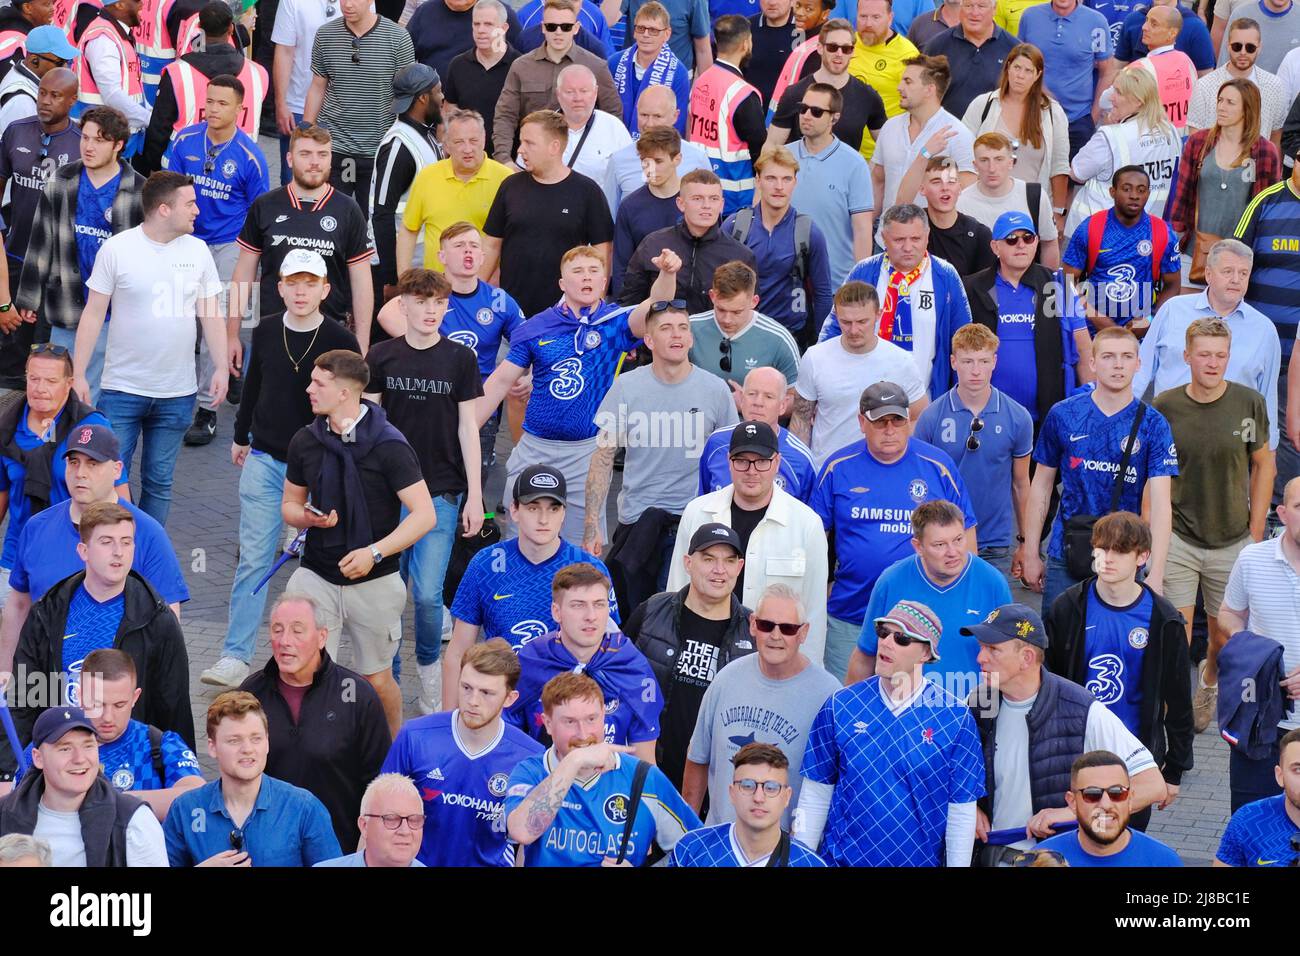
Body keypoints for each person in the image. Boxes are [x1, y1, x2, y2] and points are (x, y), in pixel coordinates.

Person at [200, 251, 359, 691]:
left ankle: (312, 661)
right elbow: (253, 383)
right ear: (282, 287)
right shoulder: (267, 328)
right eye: (294, 283)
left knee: (315, 567)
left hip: (320, 466)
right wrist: (240, 434)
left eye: (311, 283)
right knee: (253, 558)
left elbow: (352, 401)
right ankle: (235, 655)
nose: (302, 291)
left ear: (326, 290)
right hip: (267, 459)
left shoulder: (341, 339)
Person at [281, 349, 437, 736]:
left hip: (375, 579)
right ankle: (309, 752)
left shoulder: (389, 445)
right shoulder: (305, 440)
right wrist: (306, 517)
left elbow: (424, 515)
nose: (308, 389)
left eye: (319, 383)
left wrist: (375, 552)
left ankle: (390, 752)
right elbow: (289, 504)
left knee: (377, 679)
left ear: (346, 393)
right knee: (306, 672)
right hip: (316, 573)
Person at [475, 245, 672, 546]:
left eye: (594, 271)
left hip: (587, 452)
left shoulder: (614, 323)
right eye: (577, 272)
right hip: (535, 448)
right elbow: (501, 380)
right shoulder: (536, 327)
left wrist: (667, 273)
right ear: (562, 284)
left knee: (582, 545)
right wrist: (465, 430)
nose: (586, 278)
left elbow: (657, 303)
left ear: (604, 281)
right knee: (521, 539)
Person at [73, 171, 224, 526]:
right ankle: (107, 552)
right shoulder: (118, 249)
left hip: (177, 393)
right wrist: (78, 374)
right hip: (122, 389)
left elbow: (211, 314)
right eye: (190, 204)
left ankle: (143, 561)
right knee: (106, 480)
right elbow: (93, 314)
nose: (197, 211)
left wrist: (219, 367)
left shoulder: (199, 251)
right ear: (162, 209)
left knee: (159, 483)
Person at [364, 269, 484, 711]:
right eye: (422, 301)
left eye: (438, 303)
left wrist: (475, 495)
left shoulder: (459, 360)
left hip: (441, 491)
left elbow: (467, 427)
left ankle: (430, 670)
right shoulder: (381, 355)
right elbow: (368, 423)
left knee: (428, 594)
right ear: (404, 307)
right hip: (388, 494)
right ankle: (388, 678)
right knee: (387, 593)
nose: (431, 310)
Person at [965, 603, 1170, 857]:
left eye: (993, 649)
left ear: (1026, 658)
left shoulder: (1083, 710)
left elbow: (1152, 786)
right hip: (989, 855)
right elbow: (951, 772)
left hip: (1055, 859)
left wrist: (1072, 811)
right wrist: (968, 808)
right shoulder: (976, 704)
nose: (980, 658)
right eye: (982, 647)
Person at [795, 598, 984, 866]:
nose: (886, 642)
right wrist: (801, 861)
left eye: (902, 639)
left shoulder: (956, 717)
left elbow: (962, 811)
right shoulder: (840, 705)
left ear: (926, 654)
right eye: (883, 633)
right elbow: (816, 793)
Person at [1152, 316, 1273, 731]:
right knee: (1176, 631)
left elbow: (1264, 465)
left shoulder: (1249, 402)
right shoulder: (1164, 406)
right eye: (1204, 354)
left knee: (1225, 634)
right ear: (1187, 356)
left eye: (1220, 355)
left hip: (1233, 536)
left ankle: (1209, 679)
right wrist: (1154, 535)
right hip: (1180, 536)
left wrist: (1256, 532)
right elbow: (1156, 476)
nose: (1212, 362)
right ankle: (1175, 713)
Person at [812, 382, 978, 680]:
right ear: (862, 422)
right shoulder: (838, 467)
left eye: (897, 420)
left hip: (923, 622)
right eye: (880, 421)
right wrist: (817, 592)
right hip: (851, 614)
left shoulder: (937, 466)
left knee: (917, 708)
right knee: (851, 703)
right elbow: (814, 539)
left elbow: (965, 534)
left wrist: (964, 598)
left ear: (909, 420)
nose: (889, 429)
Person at [0, 426, 188, 685]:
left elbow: (168, 619)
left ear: (117, 469)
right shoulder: (37, 527)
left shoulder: (146, 533)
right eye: (73, 462)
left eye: (93, 464)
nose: (80, 474)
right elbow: (19, 603)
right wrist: (7, 673)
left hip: (119, 694)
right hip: (46, 685)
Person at [1044, 512, 1195, 829]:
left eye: (1120, 551)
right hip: (1074, 752)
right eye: (1101, 549)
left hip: (1134, 757)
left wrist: (1173, 771)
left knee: (1123, 847)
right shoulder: (1068, 608)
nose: (1107, 559)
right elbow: (1048, 685)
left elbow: (1179, 699)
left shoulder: (1163, 619)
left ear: (1142, 557)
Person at [582, 298, 735, 595]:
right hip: (636, 521)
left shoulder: (716, 390)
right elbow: (602, 457)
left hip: (693, 523)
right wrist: (591, 526)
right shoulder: (626, 387)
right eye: (666, 328)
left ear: (691, 337)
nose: (677, 335)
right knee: (634, 617)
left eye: (683, 328)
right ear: (649, 340)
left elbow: (728, 462)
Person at [11, 501, 193, 750]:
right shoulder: (48, 612)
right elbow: (24, 695)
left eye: (126, 542)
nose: (118, 551)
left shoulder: (157, 619)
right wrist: (16, 765)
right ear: (83, 551)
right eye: (107, 542)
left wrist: (180, 772)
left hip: (130, 761)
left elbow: (174, 706)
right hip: (60, 753)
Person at [1022, 327, 1178, 610]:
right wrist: (1031, 551)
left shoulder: (1154, 425)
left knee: (1115, 647)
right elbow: (1041, 487)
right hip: (1065, 551)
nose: (1118, 365)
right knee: (1058, 647)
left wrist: (1156, 572)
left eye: (1126, 356)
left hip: (1126, 554)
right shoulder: (1063, 414)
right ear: (1092, 363)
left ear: (1138, 363)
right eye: (1108, 356)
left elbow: (1160, 504)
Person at [443, 464, 618, 705]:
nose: (544, 519)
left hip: (568, 710)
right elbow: (458, 651)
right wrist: (448, 723)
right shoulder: (486, 564)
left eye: (553, 508)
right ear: (514, 510)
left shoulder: (590, 570)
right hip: (502, 707)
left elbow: (611, 653)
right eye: (533, 508)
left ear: (564, 513)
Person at [161, 76, 269, 448]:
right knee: (177, 318)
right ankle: (221, 372)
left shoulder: (251, 156)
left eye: (223, 103)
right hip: (186, 241)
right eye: (209, 101)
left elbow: (260, 213)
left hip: (230, 245)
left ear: (241, 110)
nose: (213, 109)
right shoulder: (186, 141)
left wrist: (253, 261)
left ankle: (206, 411)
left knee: (217, 326)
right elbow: (169, 188)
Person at [239, 593, 391, 852]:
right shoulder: (250, 695)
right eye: (277, 630)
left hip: (338, 848)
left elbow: (379, 782)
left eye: (298, 631)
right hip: (267, 849)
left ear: (322, 637)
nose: (285, 641)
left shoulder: (357, 695)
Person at [15, 105, 143, 403]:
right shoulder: (62, 179)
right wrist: (30, 296)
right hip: (66, 305)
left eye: (99, 140)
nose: (88, 146)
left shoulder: (138, 191)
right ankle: (67, 445)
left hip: (115, 311)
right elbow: (41, 238)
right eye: (85, 138)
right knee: (65, 384)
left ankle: (93, 444)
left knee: (103, 388)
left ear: (118, 145)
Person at [504, 671, 699, 866]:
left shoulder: (643, 777)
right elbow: (523, 832)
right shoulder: (531, 772)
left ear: (604, 717)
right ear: (548, 723)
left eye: (591, 719)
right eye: (570, 722)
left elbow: (701, 852)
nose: (583, 733)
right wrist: (573, 762)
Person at [669, 424, 830, 661]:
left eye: (762, 461)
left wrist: (806, 674)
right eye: (741, 460)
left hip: (770, 659)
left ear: (777, 462)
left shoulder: (807, 525)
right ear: (728, 461)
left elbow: (813, 613)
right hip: (701, 651)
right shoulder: (697, 512)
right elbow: (676, 587)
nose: (751, 471)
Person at [681, 583, 839, 822]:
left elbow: (833, 786)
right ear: (753, 625)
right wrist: (687, 831)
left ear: (804, 632)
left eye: (787, 628)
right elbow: (697, 758)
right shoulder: (725, 679)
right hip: (721, 846)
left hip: (783, 851)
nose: (776, 636)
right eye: (766, 625)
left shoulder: (829, 695)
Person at [381, 638, 542, 866]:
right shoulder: (415, 737)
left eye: (486, 693)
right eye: (466, 688)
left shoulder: (530, 757)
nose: (473, 701)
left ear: (509, 698)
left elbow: (531, 843)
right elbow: (378, 814)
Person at [379, 222, 523, 478]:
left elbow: (526, 342)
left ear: (482, 256)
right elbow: (386, 314)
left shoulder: (499, 300)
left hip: (479, 398)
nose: (467, 252)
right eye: (459, 246)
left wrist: (528, 375)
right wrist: (431, 347)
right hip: (432, 394)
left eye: (473, 246)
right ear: (442, 256)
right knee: (426, 471)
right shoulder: (428, 292)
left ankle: (479, 511)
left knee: (475, 476)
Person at [622, 523, 752, 789]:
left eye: (729, 561)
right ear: (688, 562)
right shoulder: (651, 612)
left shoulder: (754, 631)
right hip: (647, 769)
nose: (719, 570)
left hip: (716, 780)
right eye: (709, 559)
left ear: (739, 567)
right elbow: (615, 675)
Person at [9, 648, 203, 820]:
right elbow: (16, 814)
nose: (108, 717)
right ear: (78, 695)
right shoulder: (48, 746)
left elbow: (197, 797)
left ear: (135, 697)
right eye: (97, 704)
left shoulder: (160, 744)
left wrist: (106, 801)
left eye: (119, 705)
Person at [229, 123, 373, 354]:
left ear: (330, 159)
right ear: (289, 159)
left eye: (322, 154)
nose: (314, 162)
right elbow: (243, 273)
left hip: (329, 336)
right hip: (272, 333)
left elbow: (362, 281)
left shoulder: (348, 210)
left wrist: (362, 344)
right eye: (305, 154)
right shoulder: (265, 206)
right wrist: (231, 335)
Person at [911, 323, 1034, 581]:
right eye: (968, 361)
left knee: (991, 618)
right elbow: (918, 482)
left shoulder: (1017, 417)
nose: (976, 371)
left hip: (995, 542)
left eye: (983, 361)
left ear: (995, 362)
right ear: (954, 362)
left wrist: (1026, 543)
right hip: (942, 541)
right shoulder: (931, 417)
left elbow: (1022, 484)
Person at [163, 691, 341, 866]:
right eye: (234, 740)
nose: (247, 748)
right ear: (212, 747)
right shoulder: (184, 809)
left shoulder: (304, 808)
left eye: (256, 739)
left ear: (267, 742)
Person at [0, 346, 120, 603]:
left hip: (76, 558)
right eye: (34, 378)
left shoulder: (92, 427)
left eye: (51, 381)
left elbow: (119, 497)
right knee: (11, 637)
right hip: (18, 555)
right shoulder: (7, 426)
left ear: (69, 385)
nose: (40, 388)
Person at [851, 500, 1013, 690]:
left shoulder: (992, 582)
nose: (953, 552)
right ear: (918, 547)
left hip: (973, 707)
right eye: (940, 545)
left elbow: (1009, 657)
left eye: (958, 540)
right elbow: (865, 656)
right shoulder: (891, 581)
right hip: (905, 707)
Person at [506, 562, 662, 757]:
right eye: (578, 605)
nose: (591, 616)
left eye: (599, 604)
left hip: (611, 782)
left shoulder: (630, 664)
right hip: (544, 779)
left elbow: (644, 762)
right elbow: (507, 742)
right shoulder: (532, 660)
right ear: (556, 612)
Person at [821, 203, 974, 398]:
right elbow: (833, 329)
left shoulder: (946, 275)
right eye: (899, 240)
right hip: (863, 399)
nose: (908, 247)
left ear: (927, 237)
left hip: (925, 401)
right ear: (884, 238)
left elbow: (964, 342)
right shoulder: (863, 272)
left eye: (916, 239)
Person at [1137, 239, 1279, 443]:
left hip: (1231, 446)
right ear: (1208, 274)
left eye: (1243, 273)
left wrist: (1270, 449)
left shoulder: (1264, 330)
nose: (1236, 279)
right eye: (1228, 271)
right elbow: (1141, 370)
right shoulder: (1172, 311)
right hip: (1167, 436)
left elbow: (1268, 396)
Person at [480, 109, 614, 319]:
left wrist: (596, 306)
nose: (521, 149)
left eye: (529, 143)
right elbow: (490, 245)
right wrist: (472, 297)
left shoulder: (587, 192)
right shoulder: (510, 186)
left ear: (554, 147)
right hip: (511, 315)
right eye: (521, 141)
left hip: (566, 316)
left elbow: (603, 251)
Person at [964, 210, 1093, 427]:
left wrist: (1090, 399)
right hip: (986, 418)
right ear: (995, 247)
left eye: (1027, 238)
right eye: (1011, 239)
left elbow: (1084, 348)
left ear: (1037, 243)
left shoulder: (1059, 284)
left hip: (1048, 417)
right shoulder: (971, 288)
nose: (1021, 245)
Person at [1218, 475, 1300, 810]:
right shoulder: (1252, 559)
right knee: (1251, 823)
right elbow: (1228, 613)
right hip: (1259, 723)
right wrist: (1248, 648)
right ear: (1282, 513)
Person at [0, 706, 167, 866]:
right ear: (38, 758)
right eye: (65, 749)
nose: (80, 758)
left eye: (88, 746)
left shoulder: (133, 820)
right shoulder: (4, 814)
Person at [0, 68, 80, 388]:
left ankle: (45, 431)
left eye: (55, 95)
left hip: (56, 270)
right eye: (42, 93)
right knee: (9, 355)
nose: (44, 101)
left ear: (72, 101)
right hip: (16, 259)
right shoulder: (16, 132)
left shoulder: (80, 144)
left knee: (49, 359)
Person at [793, 280, 928, 467]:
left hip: (882, 470)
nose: (854, 330)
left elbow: (919, 417)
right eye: (845, 322)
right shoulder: (815, 358)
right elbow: (801, 420)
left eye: (862, 322)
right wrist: (799, 470)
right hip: (826, 470)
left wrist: (894, 453)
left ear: (878, 314)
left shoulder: (901, 361)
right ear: (836, 316)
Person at [1234, 153, 1300, 515]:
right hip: (1260, 347)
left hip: (1298, 353)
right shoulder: (1266, 200)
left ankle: (1282, 509)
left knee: (1292, 434)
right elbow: (1235, 258)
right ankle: (1250, 507)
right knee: (1252, 429)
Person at [301, 0, 414, 208]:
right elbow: (318, 86)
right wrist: (306, 132)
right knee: (331, 214)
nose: (347, 5)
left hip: (379, 149)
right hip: (335, 145)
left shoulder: (397, 38)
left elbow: (407, 94)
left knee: (371, 220)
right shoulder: (325, 35)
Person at [1172, 81, 1282, 288]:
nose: (1221, 107)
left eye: (1231, 102)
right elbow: (1182, 197)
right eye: (1220, 100)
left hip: (1237, 257)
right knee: (1188, 316)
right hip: (1194, 251)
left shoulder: (1264, 151)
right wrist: (1173, 245)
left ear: (1247, 108)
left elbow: (1266, 210)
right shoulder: (1198, 143)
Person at [721, 146, 834, 341]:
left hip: (792, 335)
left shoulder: (809, 232)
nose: (779, 186)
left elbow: (823, 294)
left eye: (786, 179)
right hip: (741, 334)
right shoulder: (735, 226)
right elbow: (714, 284)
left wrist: (822, 344)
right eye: (771, 178)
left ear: (795, 182)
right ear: (758, 180)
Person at [490, 0, 620, 167]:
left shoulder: (595, 66)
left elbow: (613, 115)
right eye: (552, 26)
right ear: (543, 27)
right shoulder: (521, 67)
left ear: (576, 28)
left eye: (565, 27)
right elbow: (505, 115)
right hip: (531, 162)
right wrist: (504, 160)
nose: (558, 32)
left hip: (582, 164)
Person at [143, 1, 267, 175]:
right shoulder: (258, 74)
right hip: (236, 170)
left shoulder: (178, 72)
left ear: (199, 27)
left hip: (182, 170)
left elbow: (159, 128)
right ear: (231, 29)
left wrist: (152, 165)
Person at [1063, 67, 1180, 239]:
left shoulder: (1111, 136)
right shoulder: (1171, 131)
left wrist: (1109, 127)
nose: (1111, 97)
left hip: (1097, 235)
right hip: (1147, 232)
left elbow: (1077, 172)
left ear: (1138, 101)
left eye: (1118, 92)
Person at [1063, 165, 1182, 333]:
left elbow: (1172, 285)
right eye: (1126, 189)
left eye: (1141, 190)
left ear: (1148, 194)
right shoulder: (1091, 227)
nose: (1134, 196)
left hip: (1139, 334)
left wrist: (1150, 319)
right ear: (1112, 192)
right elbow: (1067, 281)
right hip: (1093, 331)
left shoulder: (1162, 232)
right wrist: (1096, 317)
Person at [396, 111, 513, 279]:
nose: (468, 149)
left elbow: (511, 241)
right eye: (459, 142)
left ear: (484, 138)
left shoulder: (506, 179)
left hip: (485, 288)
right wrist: (404, 278)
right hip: (436, 288)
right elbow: (408, 229)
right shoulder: (427, 177)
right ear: (446, 145)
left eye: (473, 141)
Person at [620, 171, 756, 313]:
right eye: (697, 198)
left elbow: (748, 312)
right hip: (659, 332)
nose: (706, 205)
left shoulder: (740, 256)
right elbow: (629, 305)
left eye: (714, 199)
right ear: (681, 204)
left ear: (722, 205)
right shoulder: (653, 245)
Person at [671, 742, 826, 865]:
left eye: (771, 788)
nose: (759, 797)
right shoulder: (691, 849)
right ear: (732, 793)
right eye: (748, 785)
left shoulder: (809, 863)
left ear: (786, 796)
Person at [962, 43, 1071, 213]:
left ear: (1038, 75)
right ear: (1008, 68)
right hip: (985, 205)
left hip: (1031, 207)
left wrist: (1058, 211)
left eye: (1028, 71)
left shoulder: (1052, 112)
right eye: (1017, 67)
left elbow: (1060, 166)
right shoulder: (983, 105)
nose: (1020, 75)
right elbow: (963, 155)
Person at [785, 82, 875, 287]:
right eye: (803, 108)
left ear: (834, 117)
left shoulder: (854, 163)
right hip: (786, 281)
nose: (806, 115)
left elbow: (862, 228)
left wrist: (859, 282)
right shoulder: (783, 156)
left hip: (835, 282)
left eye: (816, 112)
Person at [368, 63, 444, 305]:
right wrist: (391, 279)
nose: (443, 98)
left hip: (420, 266)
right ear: (422, 98)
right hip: (400, 271)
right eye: (438, 91)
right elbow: (381, 213)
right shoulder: (399, 147)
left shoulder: (426, 135)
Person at [1034, 750, 1184, 864]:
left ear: (1130, 798)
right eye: (1092, 794)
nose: (1105, 804)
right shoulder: (1042, 860)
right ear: (1072, 802)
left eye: (1117, 793)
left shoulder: (1163, 861)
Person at [872, 54, 976, 215]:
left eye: (908, 82)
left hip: (932, 238)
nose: (899, 87)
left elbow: (967, 194)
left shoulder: (957, 134)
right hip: (885, 235)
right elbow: (878, 182)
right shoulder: (890, 127)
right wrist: (866, 232)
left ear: (929, 89)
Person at [768, 18, 885, 157]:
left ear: (853, 52)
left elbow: (887, 146)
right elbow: (772, 146)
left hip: (845, 176)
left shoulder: (867, 96)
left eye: (846, 49)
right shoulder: (794, 93)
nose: (839, 54)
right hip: (801, 175)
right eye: (832, 47)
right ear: (820, 48)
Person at [1017, 0, 1118, 160]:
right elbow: (1019, 63)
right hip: (1033, 116)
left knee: (1071, 180)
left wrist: (1092, 118)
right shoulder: (1030, 17)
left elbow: (1107, 71)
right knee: (1032, 180)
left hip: (1078, 120)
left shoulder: (1096, 21)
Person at [686, 14, 766, 214]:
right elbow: (760, 149)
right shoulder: (743, 93)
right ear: (746, 43)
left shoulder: (701, 82)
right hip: (736, 199)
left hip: (700, 189)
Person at [698, 366, 816, 500]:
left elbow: (808, 515)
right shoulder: (716, 442)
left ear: (782, 405)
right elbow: (704, 501)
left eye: (768, 396)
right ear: (741, 399)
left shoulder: (800, 458)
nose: (758, 402)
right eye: (752, 394)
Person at [687, 261, 802, 393]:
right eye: (721, 309)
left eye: (737, 312)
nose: (727, 320)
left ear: (754, 302)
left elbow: (797, 399)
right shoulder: (688, 329)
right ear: (712, 296)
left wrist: (749, 404)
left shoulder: (779, 339)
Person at [602, 86, 712, 213]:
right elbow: (609, 215)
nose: (649, 124)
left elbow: (710, 211)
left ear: (675, 116)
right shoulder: (619, 160)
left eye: (657, 116)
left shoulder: (697, 158)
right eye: (644, 115)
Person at [959, 132, 1060, 267]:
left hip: (1028, 282)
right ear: (975, 165)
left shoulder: (1034, 196)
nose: (992, 168)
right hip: (979, 283)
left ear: (1011, 163)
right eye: (984, 160)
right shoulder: (961, 202)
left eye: (999, 159)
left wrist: (1049, 284)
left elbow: (1049, 244)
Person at [270, 0, 341, 185]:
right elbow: (284, 50)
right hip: (298, 104)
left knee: (337, 184)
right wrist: (281, 103)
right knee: (293, 180)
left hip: (342, 109)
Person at [611, 126, 688, 288]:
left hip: (690, 304)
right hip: (641, 303)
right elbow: (621, 268)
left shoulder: (696, 202)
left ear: (677, 159)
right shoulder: (630, 207)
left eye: (658, 161)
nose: (650, 169)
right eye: (645, 161)